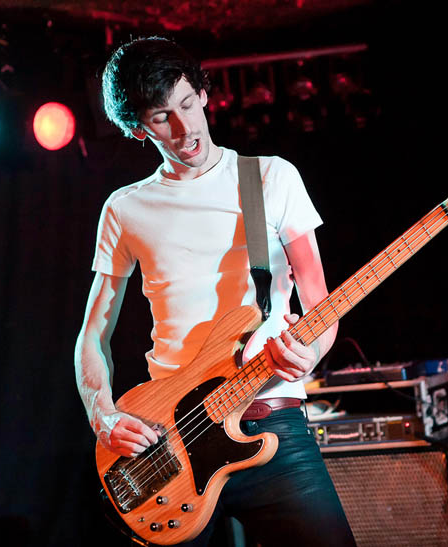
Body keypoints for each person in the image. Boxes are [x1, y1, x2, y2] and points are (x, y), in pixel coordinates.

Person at [74, 36, 355, 546]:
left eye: (187, 104)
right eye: (162, 117)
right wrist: (103, 415)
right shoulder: (125, 208)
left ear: (203, 93)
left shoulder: (269, 177)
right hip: (168, 443)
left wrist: (308, 352)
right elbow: (92, 335)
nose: (185, 130)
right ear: (139, 128)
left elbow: (320, 300)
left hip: (272, 424)